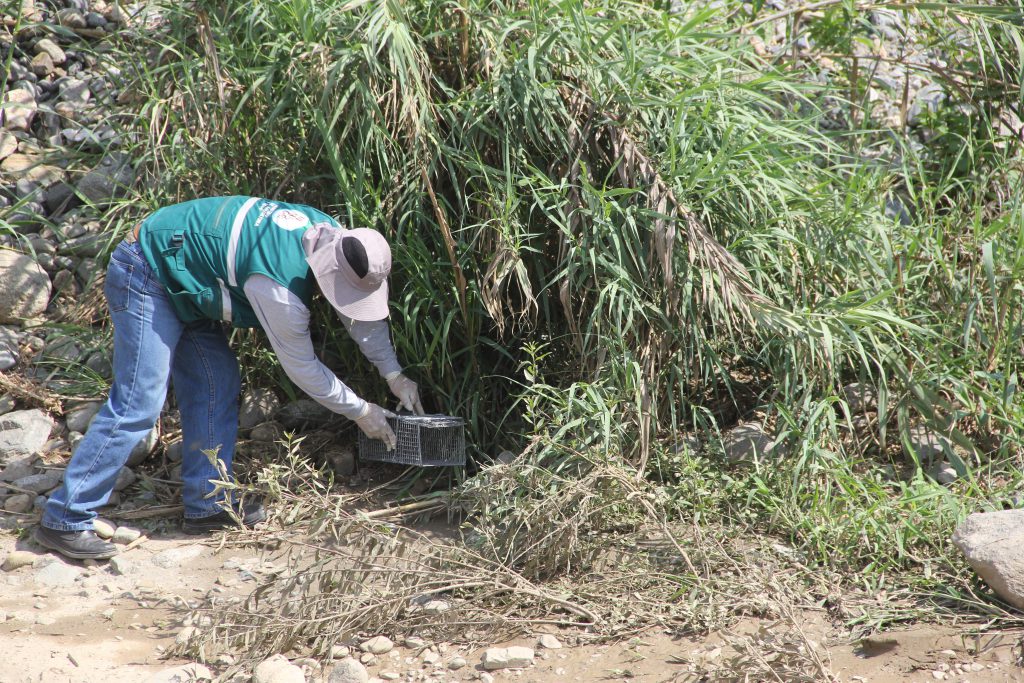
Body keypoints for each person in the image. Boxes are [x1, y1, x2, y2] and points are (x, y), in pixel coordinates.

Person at [34, 196, 424, 560]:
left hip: (189, 278)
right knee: (140, 401)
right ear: (330, 271)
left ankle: (207, 504)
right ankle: (65, 518)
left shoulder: (335, 237)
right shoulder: (279, 287)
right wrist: (361, 412)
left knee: (216, 383)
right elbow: (303, 369)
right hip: (148, 270)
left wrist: (394, 375)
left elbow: (360, 320)